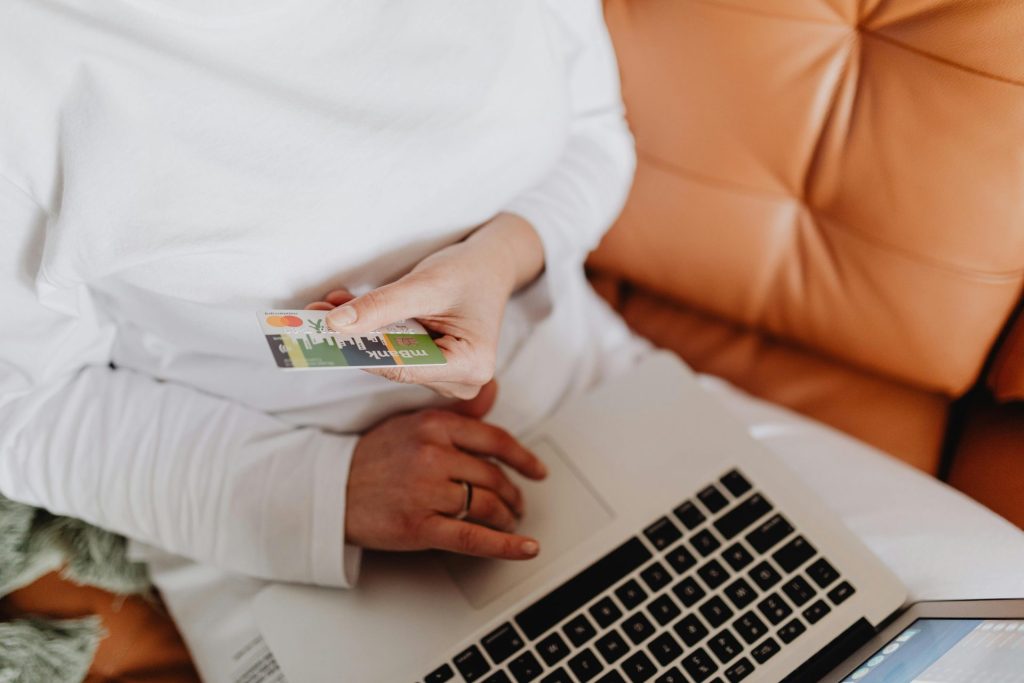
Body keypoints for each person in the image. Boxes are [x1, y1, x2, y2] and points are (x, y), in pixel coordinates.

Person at [2, 1, 1023, 681]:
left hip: (599, 391)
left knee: (989, 621)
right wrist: (329, 491)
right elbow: (26, 405)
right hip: (275, 523)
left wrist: (500, 261)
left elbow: (589, 131)